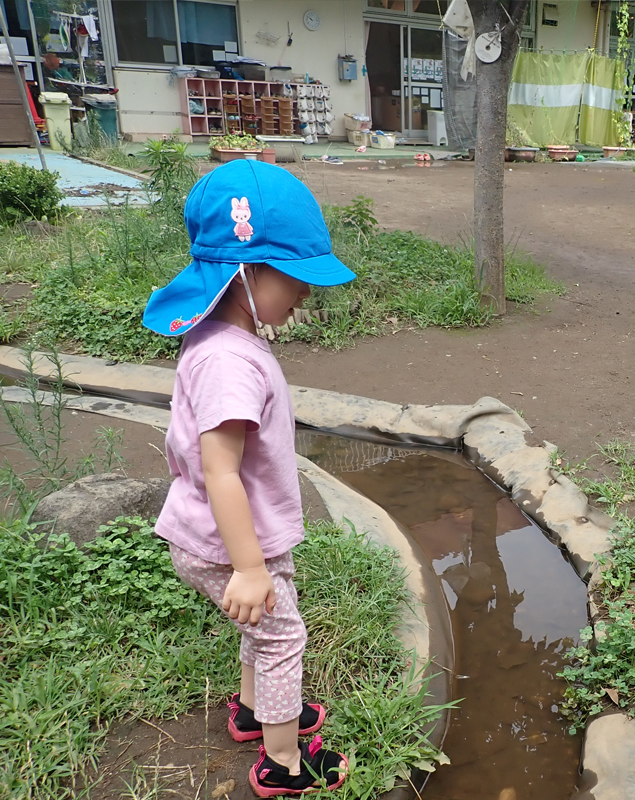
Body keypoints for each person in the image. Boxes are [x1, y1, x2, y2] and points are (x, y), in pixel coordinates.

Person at [142, 160, 355, 797]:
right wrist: (250, 568)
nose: (306, 295)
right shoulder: (229, 362)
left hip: (242, 536)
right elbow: (221, 471)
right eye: (295, 278)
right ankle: (284, 764)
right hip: (231, 541)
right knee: (283, 634)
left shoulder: (222, 338)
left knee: (258, 628)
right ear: (245, 272)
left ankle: (250, 711)